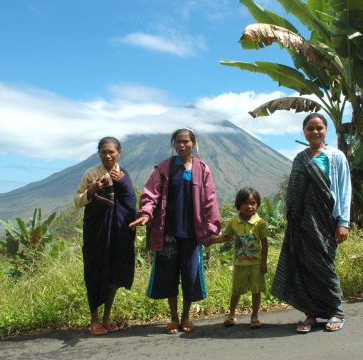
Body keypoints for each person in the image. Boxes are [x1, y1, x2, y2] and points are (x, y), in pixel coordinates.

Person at [129, 128, 221, 334]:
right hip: (167, 232)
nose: (182, 145)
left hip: (192, 233)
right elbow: (151, 194)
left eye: (186, 142)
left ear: (193, 144)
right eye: (178, 142)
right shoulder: (164, 168)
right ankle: (173, 318)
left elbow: (210, 199)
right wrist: (145, 213)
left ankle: (187, 317)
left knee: (190, 275)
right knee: (169, 276)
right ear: (173, 144)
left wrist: (212, 226)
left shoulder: (202, 168)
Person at [271, 113, 351, 334]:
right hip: (301, 223)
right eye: (310, 128)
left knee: (325, 266)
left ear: (326, 130)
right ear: (304, 131)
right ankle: (310, 313)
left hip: (327, 220)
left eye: (319, 128)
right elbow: (293, 192)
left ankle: (336, 311)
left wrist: (343, 222)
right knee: (304, 267)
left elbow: (344, 191)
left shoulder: (336, 157)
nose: (315, 132)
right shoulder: (300, 158)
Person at [74, 137, 137, 335]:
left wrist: (123, 182)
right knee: (94, 271)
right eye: (104, 152)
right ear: (99, 153)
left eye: (111, 152)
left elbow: (130, 201)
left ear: (119, 153)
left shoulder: (123, 174)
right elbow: (77, 201)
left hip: (118, 232)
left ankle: (107, 318)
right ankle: (94, 320)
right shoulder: (91, 173)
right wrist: (91, 191)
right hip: (97, 232)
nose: (108, 155)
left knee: (114, 273)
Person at [206, 187, 268, 329]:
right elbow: (226, 237)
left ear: (257, 204)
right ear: (239, 204)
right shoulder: (233, 221)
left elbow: (264, 243)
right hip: (240, 263)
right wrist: (213, 240)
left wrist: (264, 262)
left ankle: (254, 316)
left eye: (253, 203)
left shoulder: (260, 223)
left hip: (256, 264)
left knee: (256, 291)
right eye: (246, 203)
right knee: (236, 291)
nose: (249, 206)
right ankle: (231, 315)